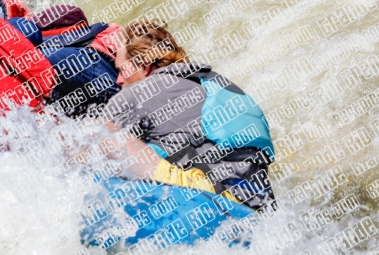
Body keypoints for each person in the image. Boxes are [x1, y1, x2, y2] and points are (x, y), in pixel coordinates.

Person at [101, 20, 276, 211]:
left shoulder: (140, 92)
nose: (118, 79)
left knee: (97, 133)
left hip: (217, 201)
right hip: (259, 205)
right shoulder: (209, 82)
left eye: (121, 69)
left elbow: (98, 136)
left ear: (144, 67)